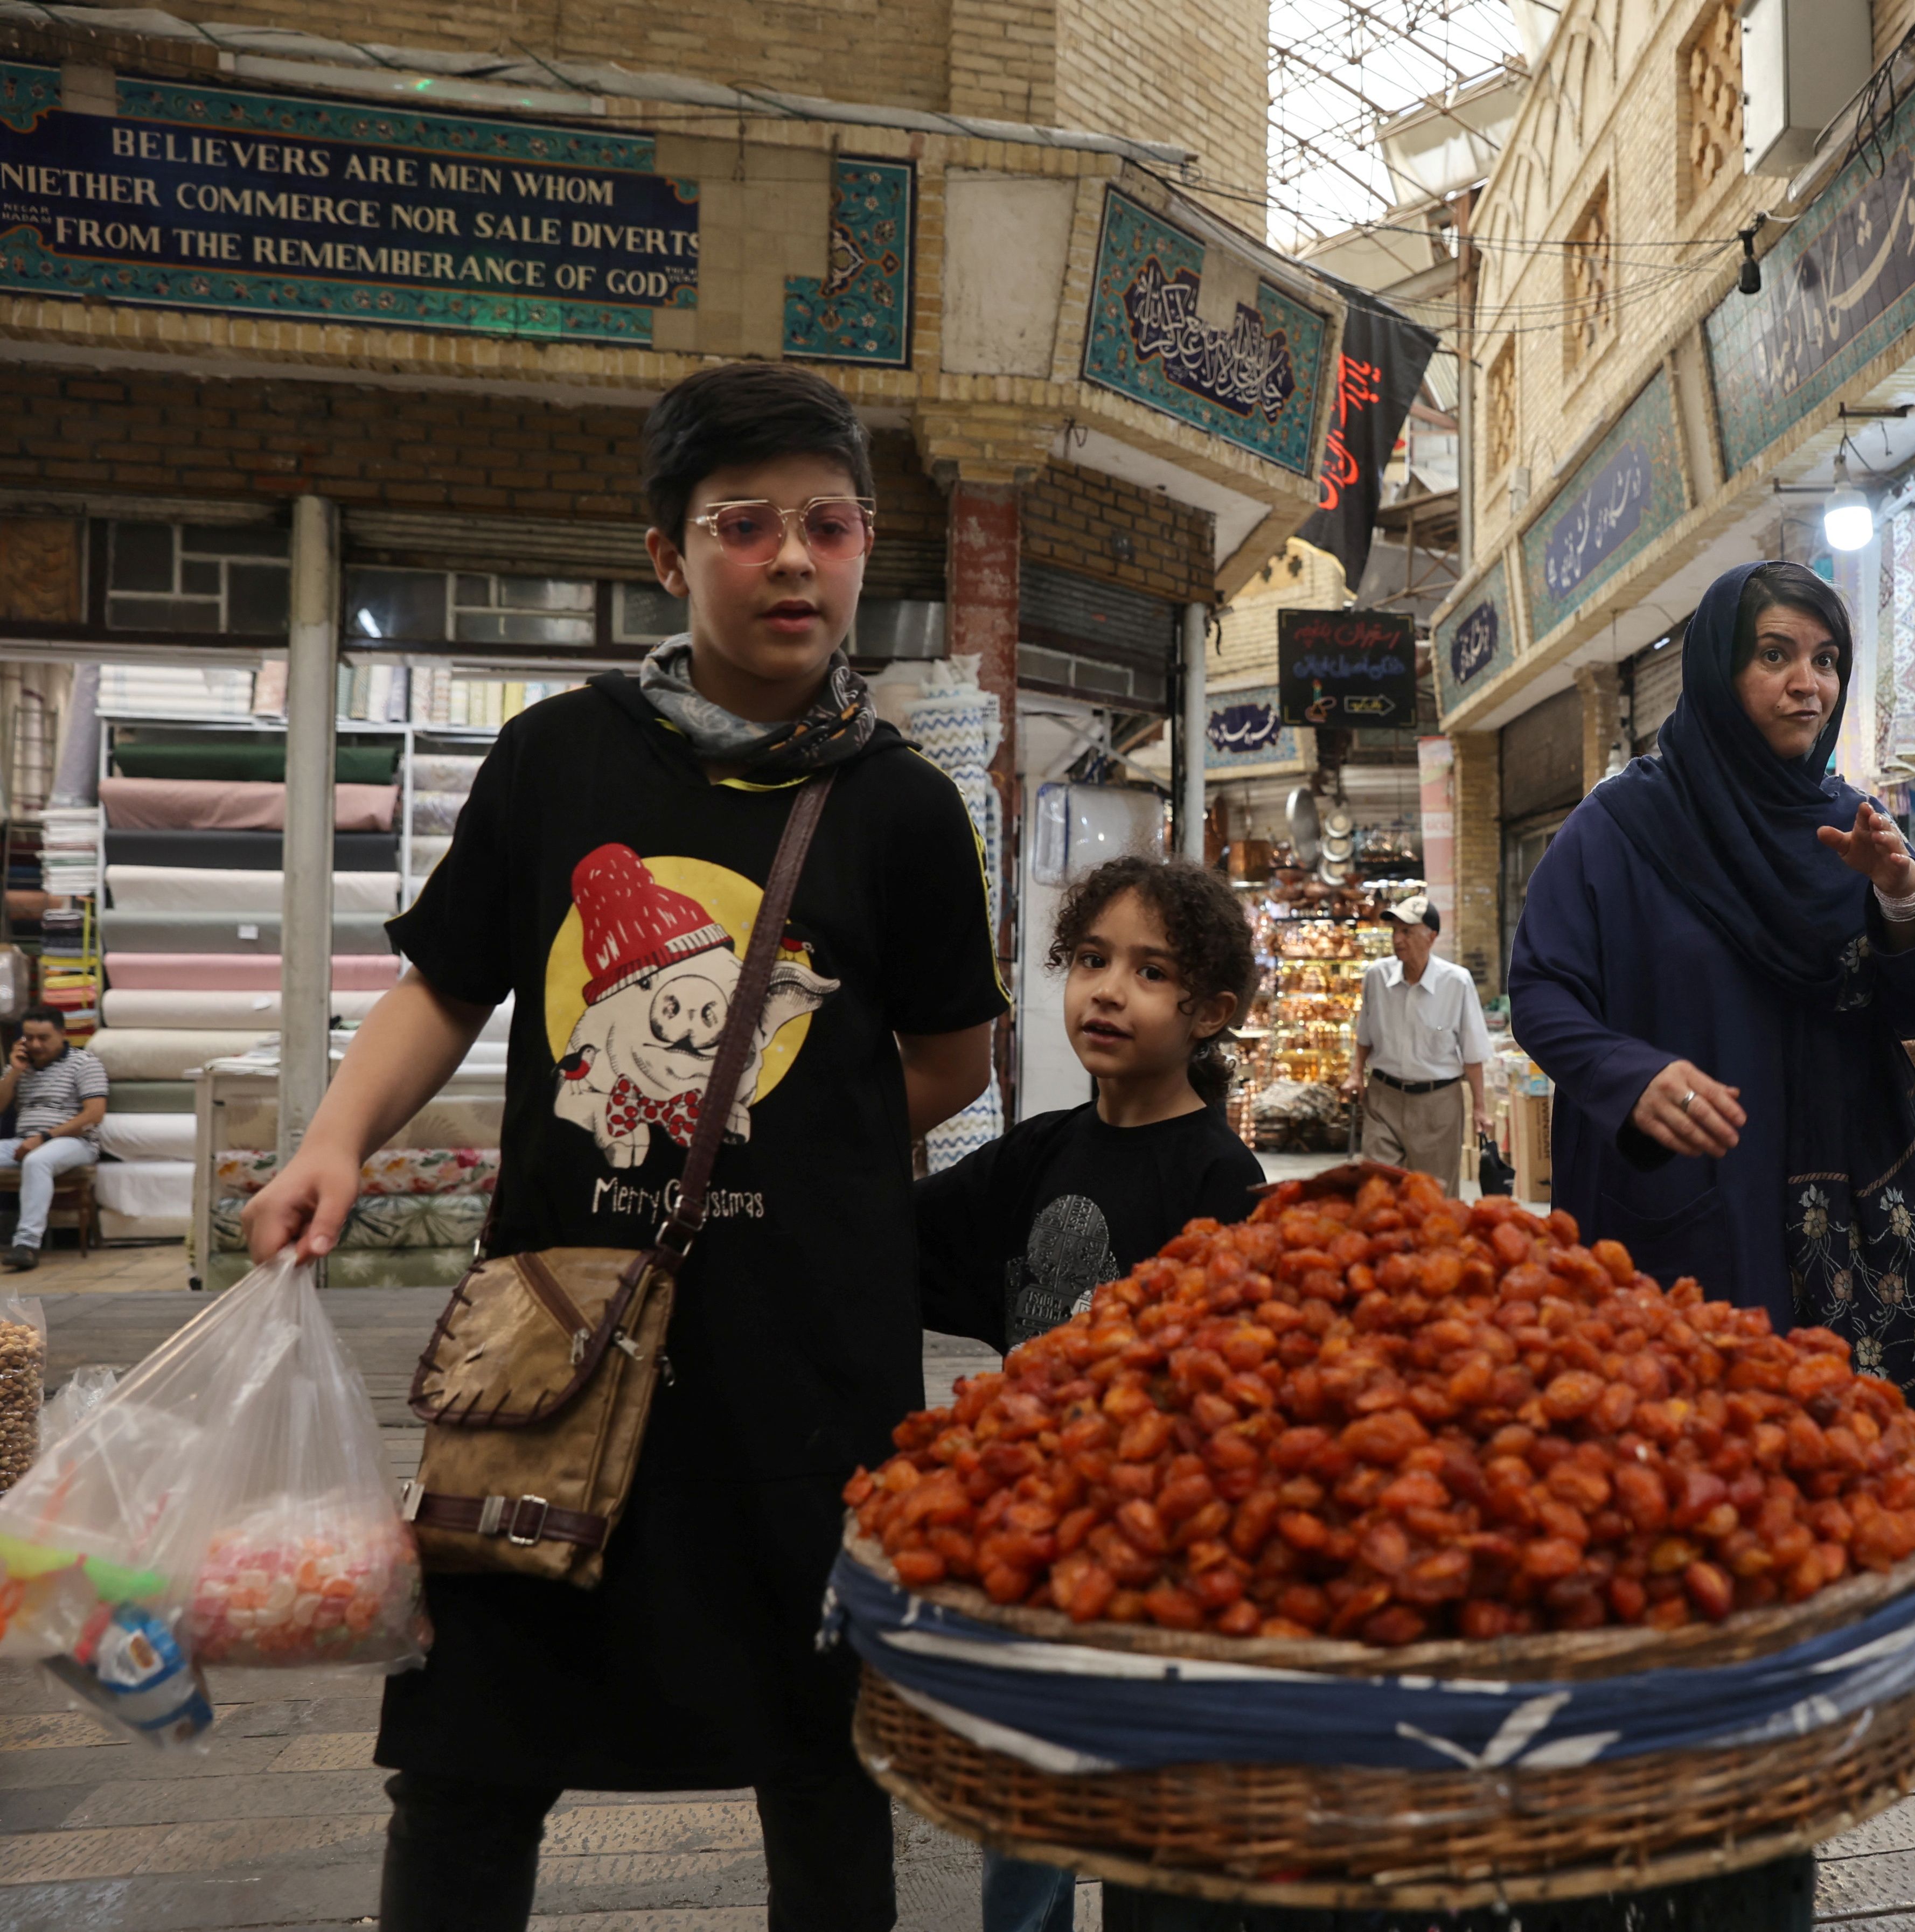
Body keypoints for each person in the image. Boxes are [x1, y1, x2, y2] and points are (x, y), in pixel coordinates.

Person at [244, 361, 1007, 1932]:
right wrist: (333, 1139)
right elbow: (447, 985)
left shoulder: (905, 808)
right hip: (556, 1356)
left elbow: (950, 1058)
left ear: (865, 547)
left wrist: (791, 1149)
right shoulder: (554, 759)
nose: (792, 560)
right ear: (668, 554)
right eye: (744, 525)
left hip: (808, 1370)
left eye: (829, 525)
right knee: (468, 1755)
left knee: (826, 1762)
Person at [1508, 560, 1915, 1404]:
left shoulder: (1851, 826)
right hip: (1686, 1191)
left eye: (1826, 660)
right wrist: (1629, 1075)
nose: (1806, 684)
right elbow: (1541, 988)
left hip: (1843, 1226)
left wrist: (1902, 898)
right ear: (1719, 668)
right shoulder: (1622, 825)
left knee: (1838, 1452)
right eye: (1774, 654)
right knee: (1688, 1436)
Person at [918, 853, 1263, 1932]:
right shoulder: (1036, 1153)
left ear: (1209, 1012)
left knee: (1161, 1829)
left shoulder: (1221, 1179)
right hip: (1038, 1542)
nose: (1108, 991)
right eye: (1091, 960)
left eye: (1151, 972)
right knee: (1023, 1815)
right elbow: (897, 1237)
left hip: (1165, 1561)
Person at [1343, 891, 1491, 1185]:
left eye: (1407, 932)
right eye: (1395, 931)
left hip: (1438, 1104)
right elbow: (1365, 1036)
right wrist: (1356, 1074)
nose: (1398, 939)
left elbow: (1473, 1053)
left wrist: (1480, 1108)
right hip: (1383, 1098)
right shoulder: (1377, 977)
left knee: (1433, 1195)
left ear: (1431, 937)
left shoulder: (1457, 982)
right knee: (1378, 1190)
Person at [0, 1008, 103, 1270]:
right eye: (29, 1038)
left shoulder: (84, 1063)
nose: (35, 1045)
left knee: (38, 1161)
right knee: (34, 1157)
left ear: (62, 1034)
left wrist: (44, 1138)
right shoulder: (20, 1065)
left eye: (43, 1038)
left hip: (75, 1142)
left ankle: (27, 1244)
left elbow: (94, 1115)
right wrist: (14, 1072)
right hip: (25, 1141)